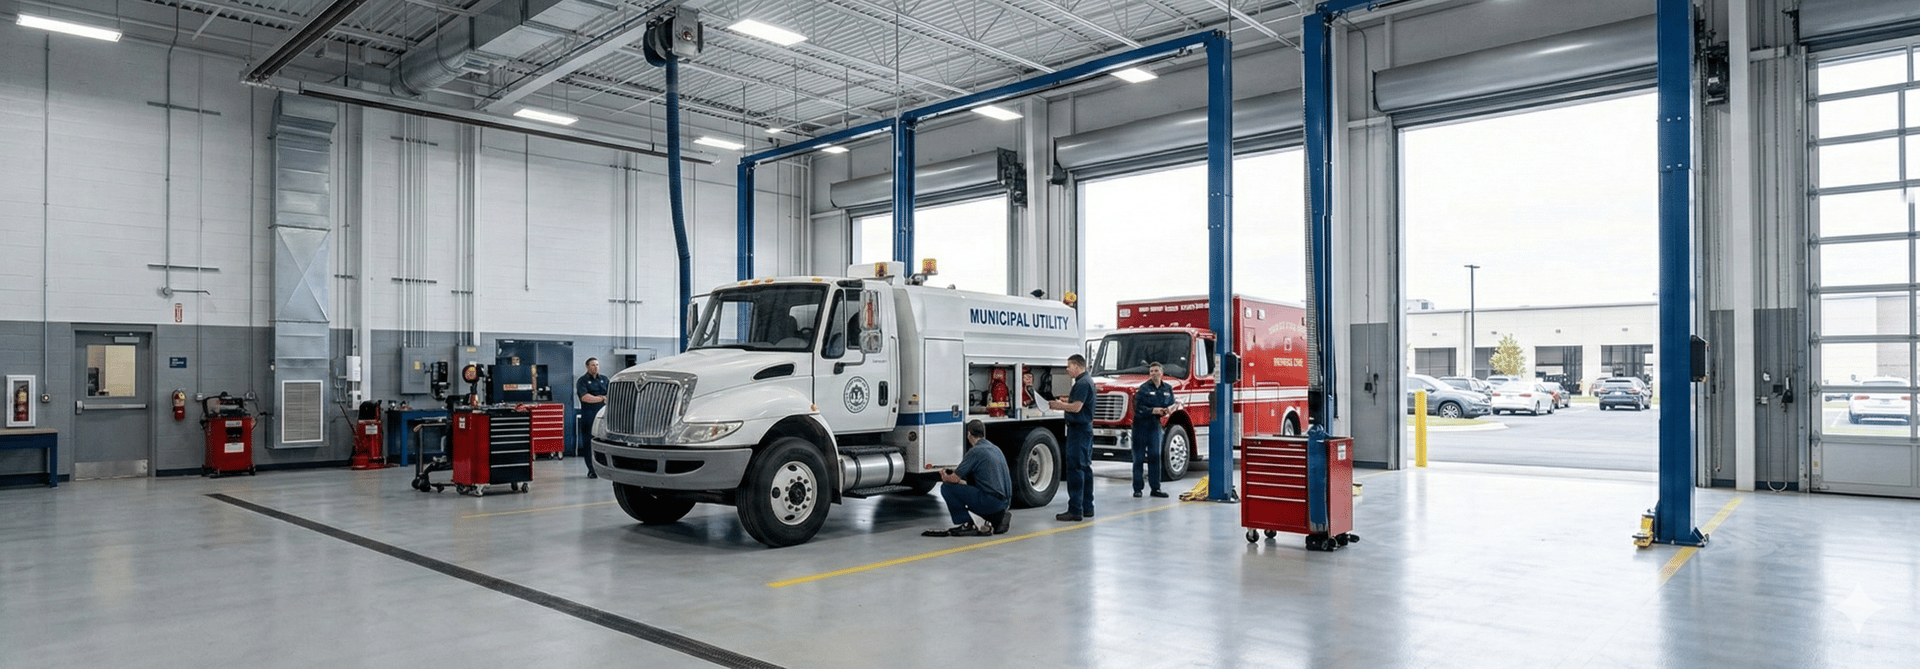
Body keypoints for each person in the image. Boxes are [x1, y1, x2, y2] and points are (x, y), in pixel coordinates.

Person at [922, 420, 1013, 537]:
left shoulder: (975, 451)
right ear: (983, 433)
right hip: (1004, 503)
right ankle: (996, 518)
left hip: (990, 501)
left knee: (947, 488)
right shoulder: (996, 449)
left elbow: (954, 479)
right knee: (972, 488)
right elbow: (974, 482)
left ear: (969, 434)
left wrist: (945, 476)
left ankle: (966, 524)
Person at [1049, 354, 1096, 521]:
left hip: (1078, 432)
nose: (1067, 369)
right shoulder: (1087, 381)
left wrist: (1059, 406)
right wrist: (1067, 401)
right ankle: (1087, 507)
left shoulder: (1082, 383)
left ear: (1077, 366)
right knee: (1085, 468)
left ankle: (1075, 509)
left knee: (1075, 469)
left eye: (1069, 366)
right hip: (1085, 430)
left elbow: (1077, 408)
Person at [1132, 362, 1179, 499]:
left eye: (1156, 371)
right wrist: (1153, 410)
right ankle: (1138, 489)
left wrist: (1169, 410)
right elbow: (1138, 408)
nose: (1153, 373)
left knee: (1155, 457)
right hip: (1140, 427)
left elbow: (1171, 403)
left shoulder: (1167, 388)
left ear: (1161, 373)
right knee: (1138, 458)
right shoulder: (1144, 389)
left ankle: (1155, 488)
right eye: (1151, 371)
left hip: (1155, 426)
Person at [575, 358, 609, 478]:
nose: (595, 367)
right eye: (593, 365)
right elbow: (585, 397)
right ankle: (592, 470)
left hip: (604, 417)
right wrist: (602, 398)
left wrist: (603, 398)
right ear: (587, 366)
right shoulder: (582, 381)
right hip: (589, 417)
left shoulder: (604, 379)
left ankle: (605, 469)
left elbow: (611, 393)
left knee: (605, 442)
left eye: (597, 365)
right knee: (589, 444)